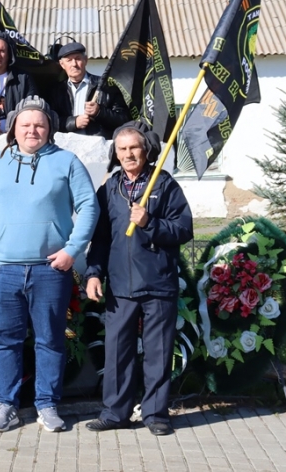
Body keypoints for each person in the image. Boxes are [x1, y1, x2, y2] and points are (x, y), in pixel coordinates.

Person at [0, 96, 98, 432]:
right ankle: (5, 405)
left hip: (51, 269)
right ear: (13, 129)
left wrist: (72, 249)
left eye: (40, 125)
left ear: (50, 128)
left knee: (50, 339)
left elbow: (89, 206)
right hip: (5, 268)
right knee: (5, 339)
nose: (33, 130)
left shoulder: (67, 162)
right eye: (26, 124)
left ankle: (47, 404)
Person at [84, 121, 193, 436]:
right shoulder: (110, 189)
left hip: (158, 283)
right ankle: (115, 413)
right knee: (118, 352)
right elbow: (100, 239)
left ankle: (155, 414)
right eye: (122, 149)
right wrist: (94, 273)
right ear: (115, 153)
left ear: (146, 150)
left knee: (158, 352)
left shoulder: (165, 184)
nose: (128, 154)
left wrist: (150, 223)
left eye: (134, 147)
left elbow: (183, 229)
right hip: (120, 285)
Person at [50, 41, 129, 139]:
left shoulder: (105, 86)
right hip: (67, 145)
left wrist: (99, 112)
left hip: (99, 145)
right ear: (62, 64)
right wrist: (73, 122)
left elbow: (123, 120)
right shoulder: (56, 91)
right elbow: (50, 121)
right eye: (69, 60)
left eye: (78, 59)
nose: (74, 64)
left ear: (85, 60)